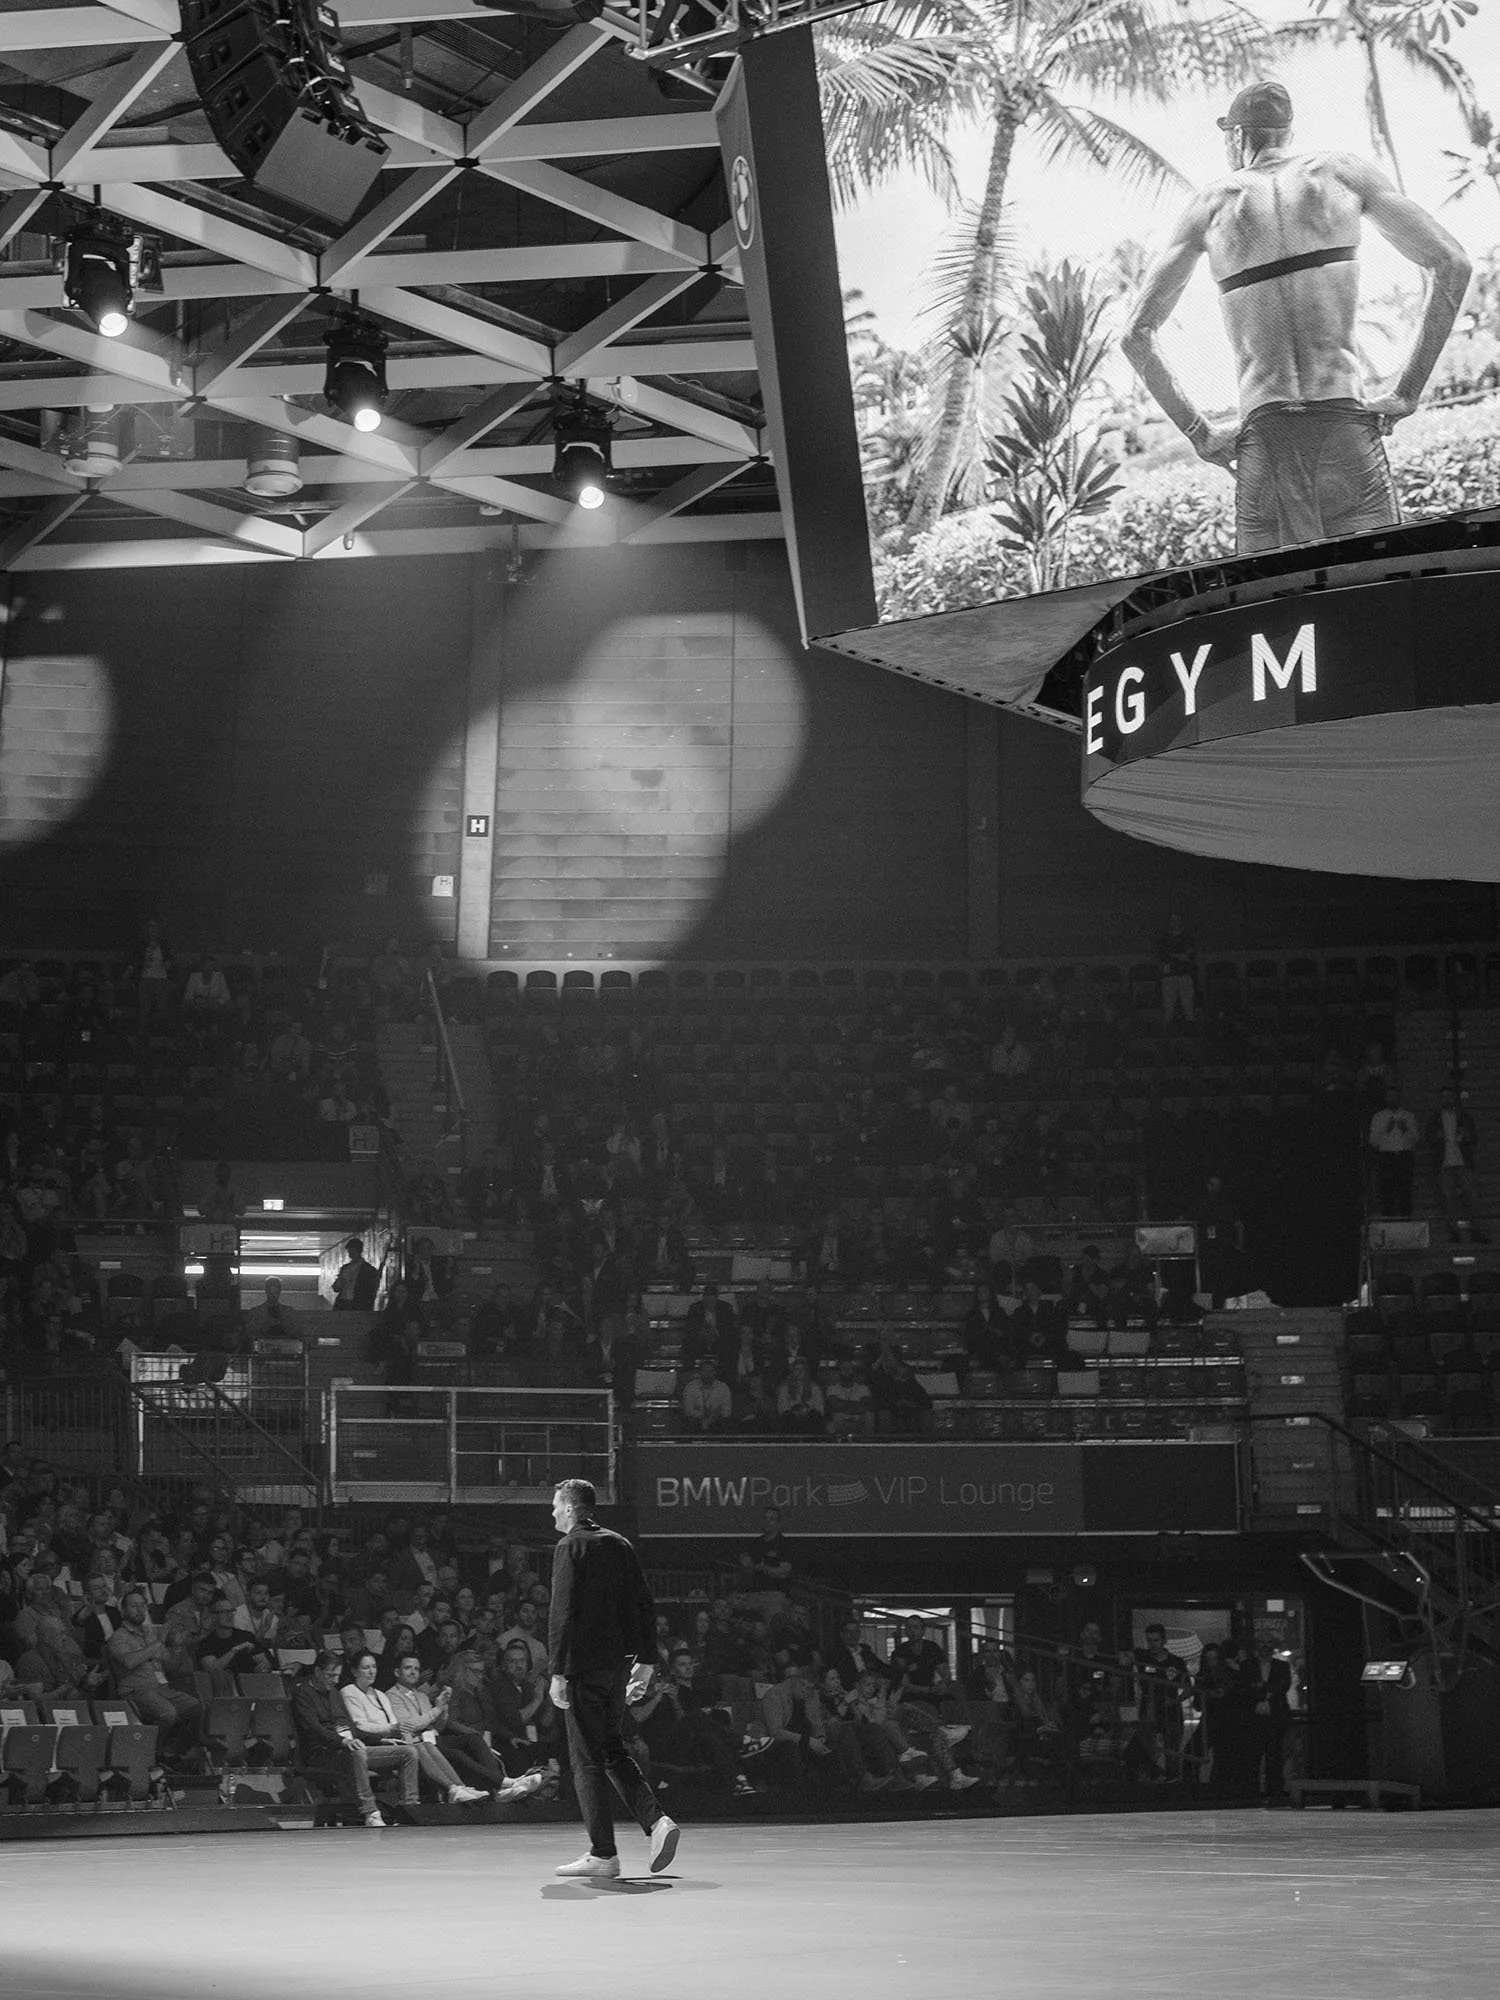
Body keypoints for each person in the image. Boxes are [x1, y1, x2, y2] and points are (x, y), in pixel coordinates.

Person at [1123, 80, 1470, 556]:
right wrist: (1407, 392)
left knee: (1282, 619)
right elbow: (1452, 264)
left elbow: (1136, 335)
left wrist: (1199, 434)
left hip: (1267, 436)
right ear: (1287, 132)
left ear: (1238, 136)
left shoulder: (1209, 205)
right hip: (1343, 426)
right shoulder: (1343, 174)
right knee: (1377, 602)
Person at [547, 1476, 678, 1880]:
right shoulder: (620, 1544)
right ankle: (657, 1823)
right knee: (610, 1749)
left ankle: (603, 1853)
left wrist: (557, 1672)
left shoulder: (570, 1546)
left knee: (586, 1759)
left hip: (583, 1666)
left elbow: (562, 1613)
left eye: (555, 1504)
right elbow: (643, 1604)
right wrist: (648, 1660)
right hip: (618, 1664)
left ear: (571, 1508)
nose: (552, 1511)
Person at [293, 1651, 418, 1828]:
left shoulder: (334, 1693)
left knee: (409, 1752)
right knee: (357, 1751)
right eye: (330, 1675)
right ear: (317, 1671)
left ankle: (409, 1808)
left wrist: (379, 1740)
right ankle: (370, 1811)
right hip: (322, 1753)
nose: (335, 1680)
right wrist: (342, 1741)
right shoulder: (303, 1693)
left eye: (337, 1675)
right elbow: (313, 1729)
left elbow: (352, 1729)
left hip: (350, 1747)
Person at [106, 1589, 201, 1758]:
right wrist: (157, 1644)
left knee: (196, 1706)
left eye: (143, 1605)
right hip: (135, 1692)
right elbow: (129, 1662)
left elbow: (171, 1665)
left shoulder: (150, 1634)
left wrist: (177, 1647)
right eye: (134, 1606)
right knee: (168, 1713)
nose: (140, 1610)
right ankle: (150, 1753)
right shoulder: (118, 1637)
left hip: (160, 1688)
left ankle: (173, 1752)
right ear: (123, 1611)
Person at [1427, 1085, 1485, 1244]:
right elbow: (1429, 1141)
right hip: (1444, 1164)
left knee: (1472, 1196)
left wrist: (1467, 1136)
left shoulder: (1465, 1117)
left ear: (1453, 1098)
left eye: (1449, 1096)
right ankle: (1454, 1232)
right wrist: (1436, 1138)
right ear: (1440, 1100)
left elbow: (1474, 1139)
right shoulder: (1434, 1119)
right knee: (1449, 1198)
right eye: (1443, 1096)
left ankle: (1476, 1230)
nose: (1446, 1099)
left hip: (1462, 1163)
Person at [1370, 1085, 1420, 1218]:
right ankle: (1388, 1219)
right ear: (1385, 1099)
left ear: (1399, 1098)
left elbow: (1415, 1139)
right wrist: (1387, 1129)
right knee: (1387, 1190)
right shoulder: (1378, 1117)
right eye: (1389, 1096)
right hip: (1386, 1156)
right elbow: (1373, 1142)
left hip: (1404, 1155)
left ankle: (1406, 1218)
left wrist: (1405, 1130)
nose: (1392, 1099)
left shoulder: (1408, 1116)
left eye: (1394, 1096)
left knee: (1405, 1189)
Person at [1156, 914, 1197, 1026]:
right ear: (1169, 922)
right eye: (1173, 920)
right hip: (1169, 977)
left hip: (1185, 975)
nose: (1175, 922)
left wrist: (1173, 955)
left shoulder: (1188, 938)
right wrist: (1180, 956)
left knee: (1188, 1008)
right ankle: (1167, 1036)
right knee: (1168, 1009)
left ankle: (1190, 1033)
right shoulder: (1163, 939)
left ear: (1181, 922)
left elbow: (1190, 956)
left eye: (1177, 920)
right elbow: (1162, 956)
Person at [333, 1237, 379, 1311]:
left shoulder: (369, 1270)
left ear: (359, 1251)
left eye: (352, 1251)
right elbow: (336, 1288)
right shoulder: (345, 1268)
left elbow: (370, 1292)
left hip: (359, 1305)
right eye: (349, 1252)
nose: (350, 1254)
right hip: (342, 1303)